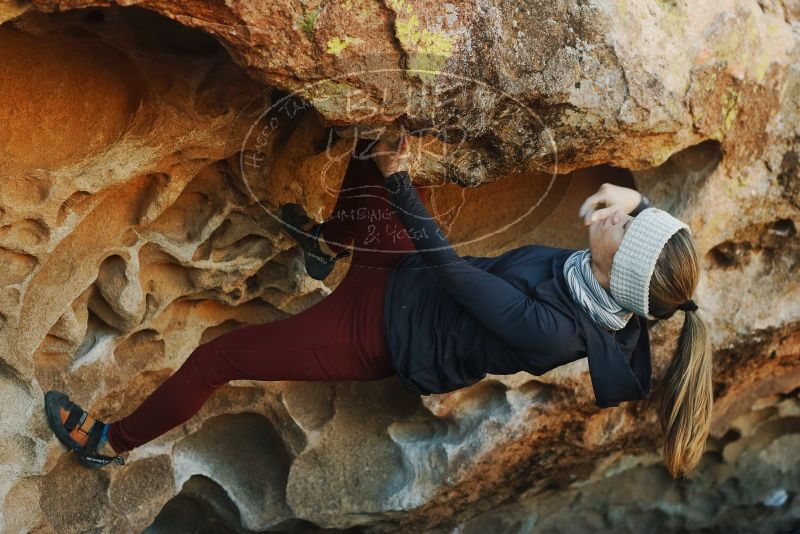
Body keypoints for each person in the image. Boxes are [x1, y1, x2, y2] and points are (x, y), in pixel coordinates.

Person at [44, 134, 712, 478]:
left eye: (626, 230)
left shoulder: (555, 332)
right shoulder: (606, 283)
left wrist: (402, 178)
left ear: (617, 267)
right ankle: (326, 245)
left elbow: (450, 270)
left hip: (374, 333)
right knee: (371, 149)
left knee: (219, 358)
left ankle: (111, 442)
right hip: (400, 278)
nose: (618, 218)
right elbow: (644, 238)